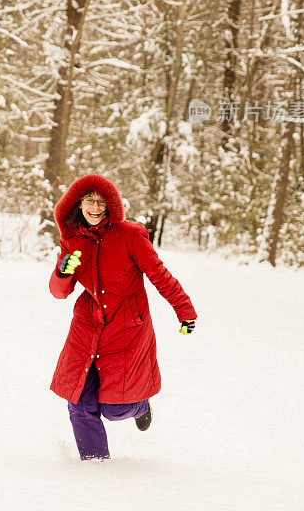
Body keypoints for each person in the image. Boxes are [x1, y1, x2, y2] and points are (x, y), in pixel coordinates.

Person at [48, 173, 197, 461]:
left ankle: (141, 405)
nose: (95, 208)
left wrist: (184, 310)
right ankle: (96, 466)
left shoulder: (130, 234)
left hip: (126, 328)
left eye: (101, 202)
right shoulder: (72, 240)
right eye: (90, 201)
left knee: (115, 408)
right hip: (87, 327)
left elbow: (159, 275)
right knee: (79, 403)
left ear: (111, 206)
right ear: (79, 204)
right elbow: (59, 292)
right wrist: (62, 271)